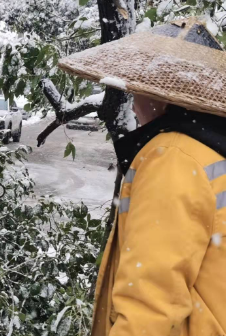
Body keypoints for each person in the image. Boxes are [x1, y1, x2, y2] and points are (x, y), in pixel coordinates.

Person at [57, 18, 226, 335]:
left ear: (166, 96)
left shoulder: (174, 158)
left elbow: (150, 306)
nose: (134, 102)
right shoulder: (211, 151)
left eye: (142, 88)